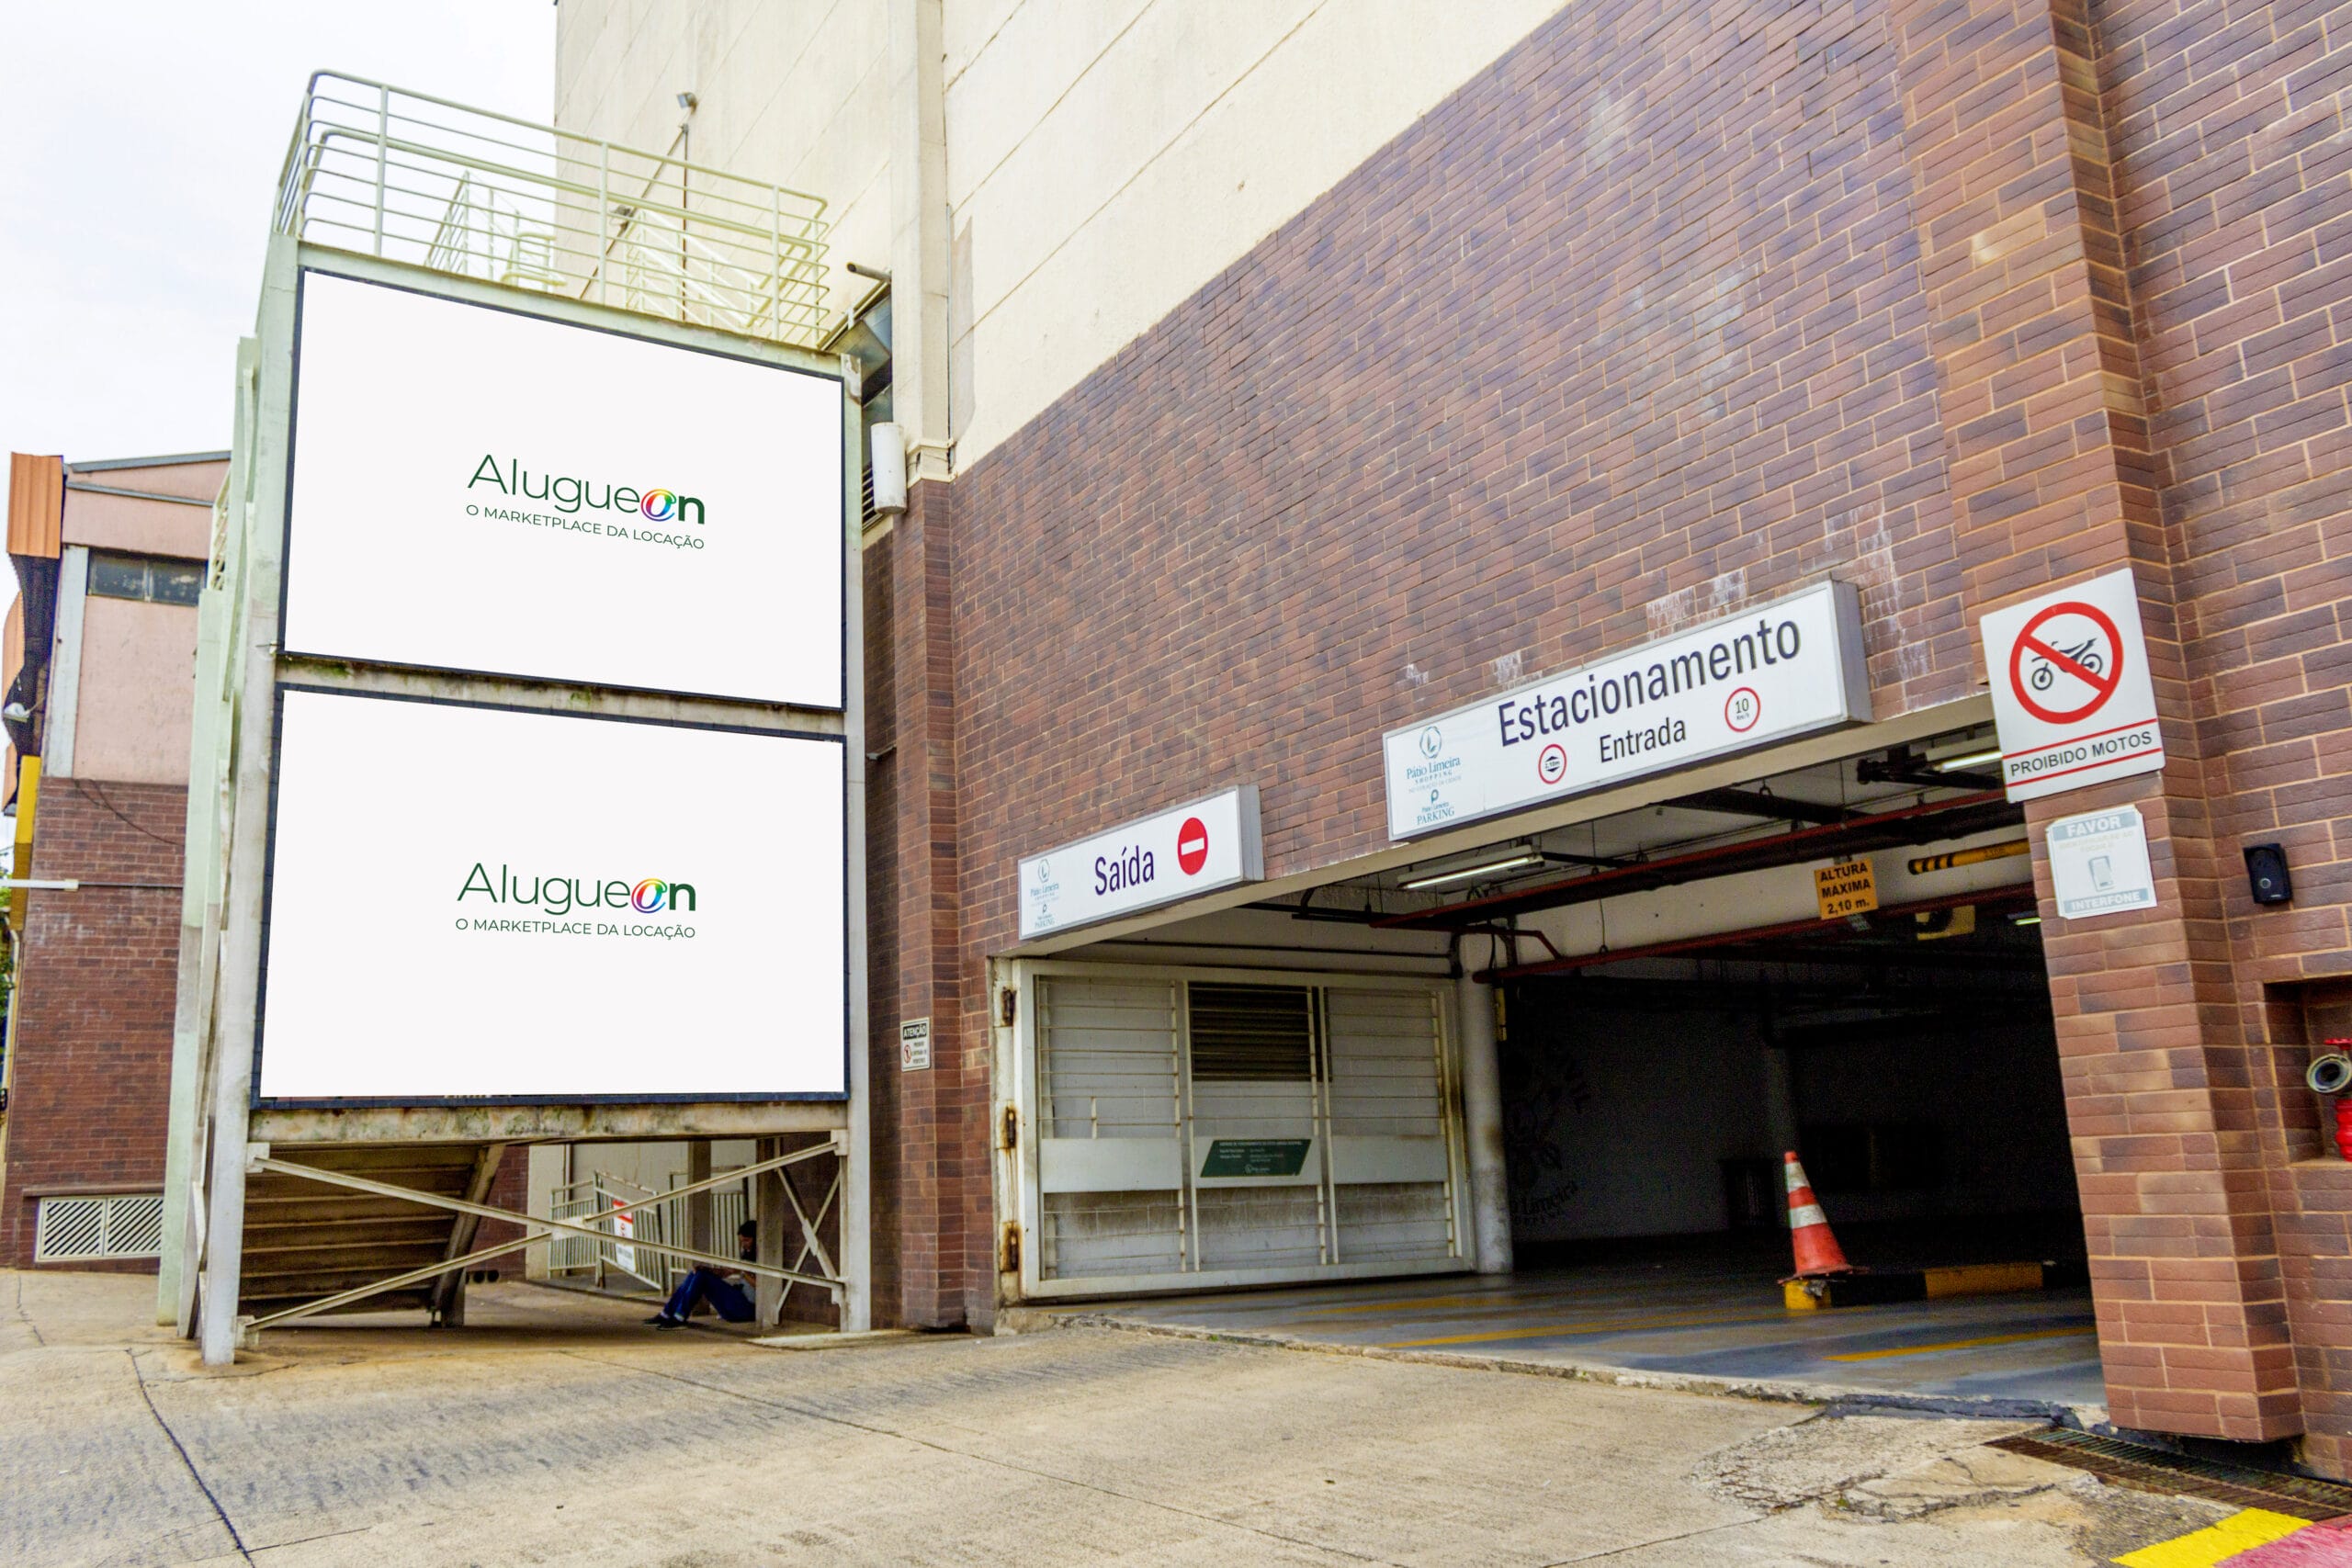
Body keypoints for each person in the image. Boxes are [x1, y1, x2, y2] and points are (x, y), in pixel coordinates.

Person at [646, 1218, 759, 1329]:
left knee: (702, 1277)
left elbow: (759, 1285)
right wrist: (709, 1270)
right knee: (698, 1273)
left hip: (749, 1309)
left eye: (747, 1240)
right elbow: (726, 1272)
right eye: (741, 1241)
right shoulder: (747, 1256)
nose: (744, 1245)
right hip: (737, 1305)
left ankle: (679, 1317)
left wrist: (744, 1271)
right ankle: (666, 1313)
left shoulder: (765, 1260)